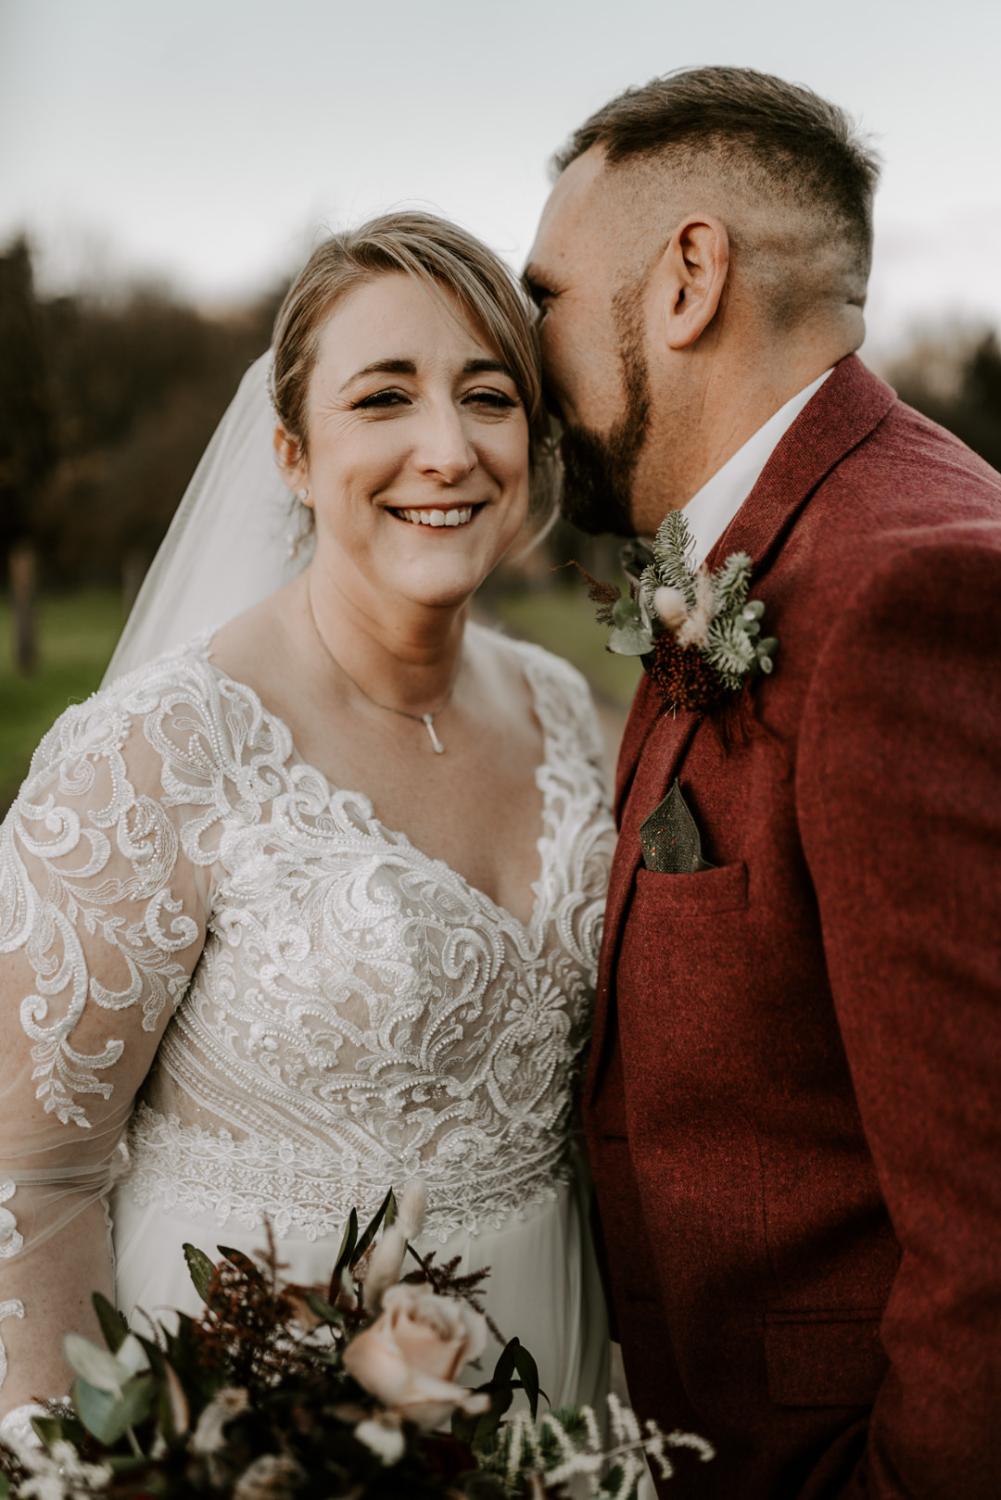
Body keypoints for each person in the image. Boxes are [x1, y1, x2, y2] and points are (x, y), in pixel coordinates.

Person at [0, 213, 614, 1444]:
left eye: (486, 396)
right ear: (289, 451)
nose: (445, 449)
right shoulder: (155, 754)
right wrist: (83, 1467)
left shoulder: (568, 713)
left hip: (557, 1400)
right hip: (245, 1432)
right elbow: (34, 1180)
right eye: (383, 398)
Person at [527, 65, 1001, 1499]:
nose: (526, 350)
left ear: (686, 278)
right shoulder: (749, 554)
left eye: (545, 295)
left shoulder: (911, 591)